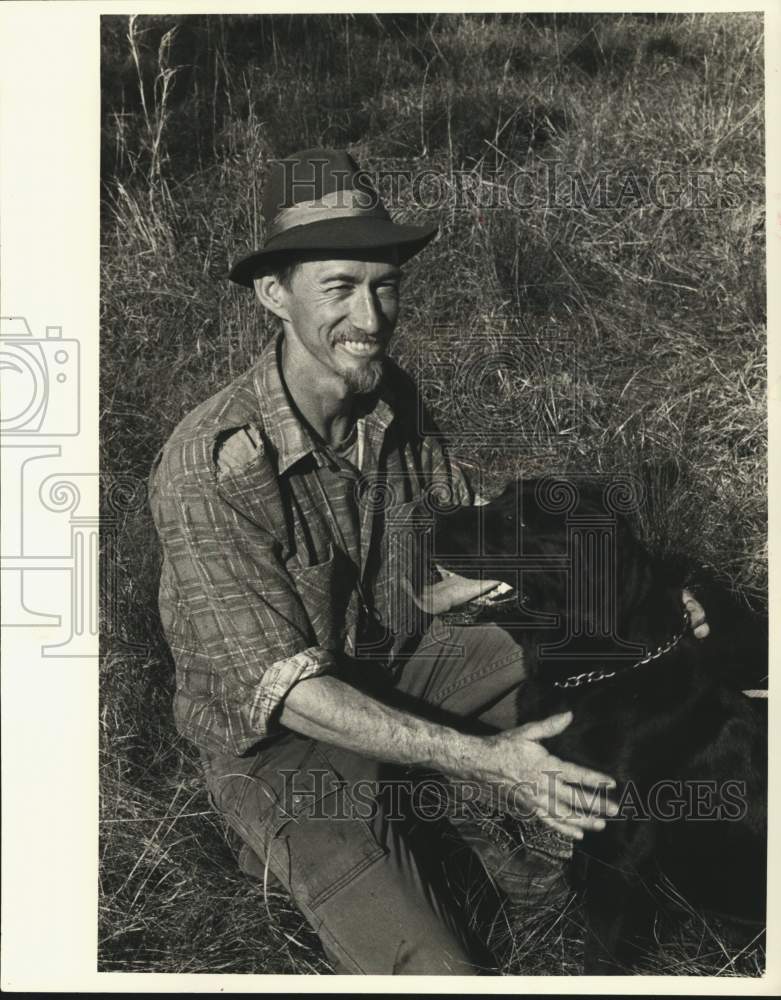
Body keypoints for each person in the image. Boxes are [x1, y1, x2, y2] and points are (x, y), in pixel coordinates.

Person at [148, 148, 709, 975]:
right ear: (274, 295)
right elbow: (292, 692)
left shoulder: (388, 396)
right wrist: (485, 762)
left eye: (384, 285)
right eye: (338, 288)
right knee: (438, 972)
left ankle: (520, 820)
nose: (370, 317)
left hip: (404, 665)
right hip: (285, 739)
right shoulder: (213, 462)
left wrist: (647, 603)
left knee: (607, 649)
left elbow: (460, 558)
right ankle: (303, 834)